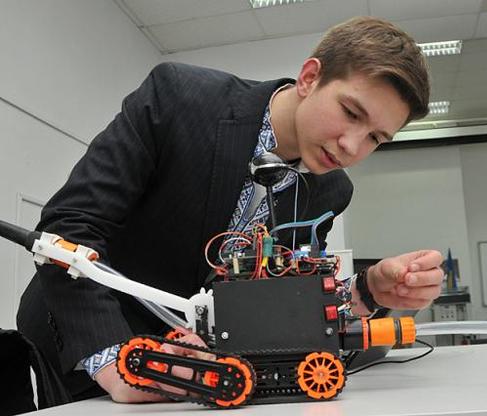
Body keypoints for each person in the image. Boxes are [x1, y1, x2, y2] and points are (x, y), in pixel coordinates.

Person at [16, 16, 443, 404]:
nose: (352, 146)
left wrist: (368, 290)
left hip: (197, 380)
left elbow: (285, 295)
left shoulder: (330, 191)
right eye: (350, 113)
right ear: (310, 78)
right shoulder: (178, 98)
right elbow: (69, 227)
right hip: (74, 357)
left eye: (375, 138)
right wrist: (116, 363)